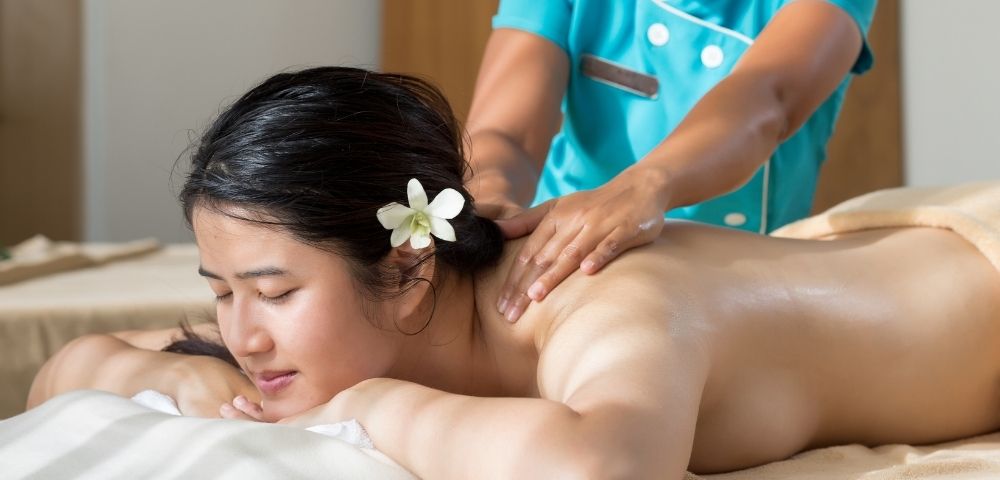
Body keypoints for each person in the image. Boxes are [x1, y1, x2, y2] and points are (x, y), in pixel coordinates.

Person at [27, 68, 1000, 479]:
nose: (244, 333)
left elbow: (598, 467)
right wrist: (195, 383)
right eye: (221, 290)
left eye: (275, 293)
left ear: (410, 268)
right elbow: (69, 372)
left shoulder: (601, 305)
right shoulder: (348, 324)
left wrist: (365, 407)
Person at [466, 0, 879, 322]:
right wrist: (488, 207)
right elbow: (507, 134)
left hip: (741, 288)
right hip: (552, 259)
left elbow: (769, 98)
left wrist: (648, 185)